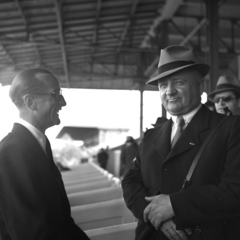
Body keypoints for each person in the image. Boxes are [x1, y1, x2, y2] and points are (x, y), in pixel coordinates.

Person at [121, 45, 240, 240]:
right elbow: (130, 182)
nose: (170, 91)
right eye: (162, 85)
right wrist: (157, 215)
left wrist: (175, 205)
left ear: (200, 87)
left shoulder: (230, 128)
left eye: (178, 82)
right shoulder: (151, 136)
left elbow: (235, 191)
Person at [0, 69, 90, 240]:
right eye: (55, 94)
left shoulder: (35, 144)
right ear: (31, 102)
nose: (63, 102)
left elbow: (61, 221)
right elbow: (33, 233)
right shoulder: (11, 152)